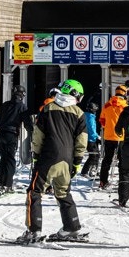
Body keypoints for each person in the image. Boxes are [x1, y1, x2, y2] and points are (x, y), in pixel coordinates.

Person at [17, 79, 87, 243]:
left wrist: (35, 155)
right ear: (75, 95)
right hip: (67, 160)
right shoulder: (79, 113)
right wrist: (77, 162)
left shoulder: (48, 109)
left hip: (48, 157)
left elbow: (38, 135)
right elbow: (82, 141)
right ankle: (72, 227)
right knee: (63, 193)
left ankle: (33, 230)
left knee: (34, 192)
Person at [0, 85, 32, 194]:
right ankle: (8, 185)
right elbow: (27, 122)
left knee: (3, 159)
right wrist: (32, 130)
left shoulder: (5, 104)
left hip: (1, 133)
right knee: (10, 160)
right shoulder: (22, 106)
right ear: (22, 95)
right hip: (12, 134)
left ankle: (1, 184)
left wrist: (0, 124)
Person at [98, 84, 129, 189]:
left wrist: (107, 127)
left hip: (109, 136)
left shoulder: (107, 105)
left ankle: (103, 181)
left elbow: (102, 120)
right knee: (122, 160)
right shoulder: (125, 106)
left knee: (107, 159)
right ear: (124, 94)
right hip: (121, 136)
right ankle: (122, 181)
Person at [79, 101, 100, 177]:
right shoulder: (90, 117)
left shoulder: (85, 115)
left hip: (87, 138)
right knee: (94, 155)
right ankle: (87, 171)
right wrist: (97, 136)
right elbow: (91, 129)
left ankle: (93, 170)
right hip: (91, 139)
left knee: (95, 155)